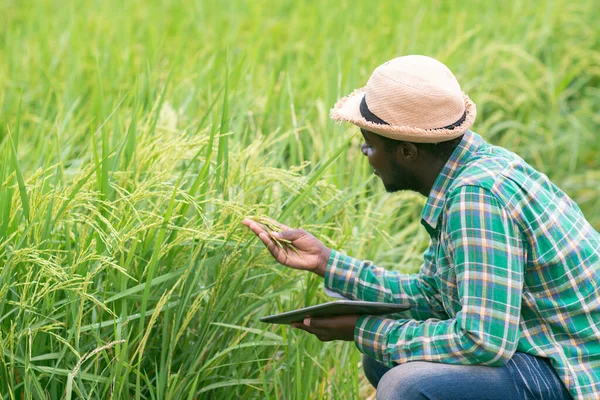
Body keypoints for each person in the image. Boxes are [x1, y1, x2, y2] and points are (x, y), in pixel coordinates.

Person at [242, 55, 600, 400]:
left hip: (575, 365)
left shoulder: (475, 198)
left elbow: (483, 341)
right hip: (543, 343)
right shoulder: (470, 170)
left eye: (369, 144)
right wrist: (326, 263)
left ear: (408, 152)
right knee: (382, 358)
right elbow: (432, 296)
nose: (364, 152)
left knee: (406, 385)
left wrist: (361, 329)